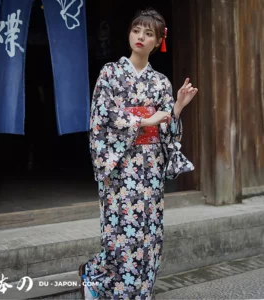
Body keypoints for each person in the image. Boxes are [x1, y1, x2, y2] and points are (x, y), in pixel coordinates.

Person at [79, 8, 198, 300]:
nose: (141, 37)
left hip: (150, 168)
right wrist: (144, 120)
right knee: (120, 233)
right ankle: (101, 281)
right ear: (129, 34)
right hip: (119, 167)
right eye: (136, 31)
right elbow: (102, 117)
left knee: (149, 234)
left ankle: (142, 291)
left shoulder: (161, 83)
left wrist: (178, 107)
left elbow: (168, 130)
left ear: (158, 41)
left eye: (148, 34)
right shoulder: (110, 73)